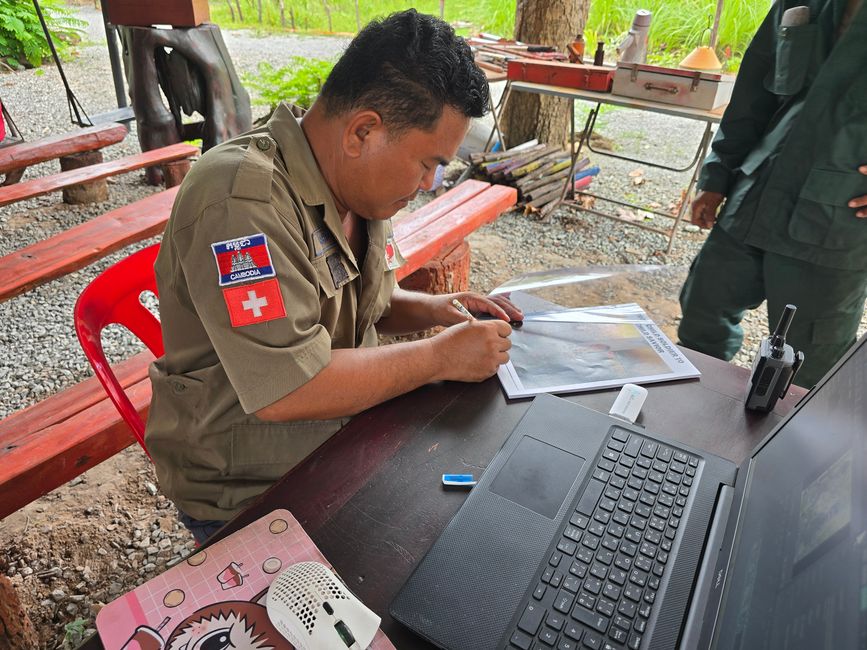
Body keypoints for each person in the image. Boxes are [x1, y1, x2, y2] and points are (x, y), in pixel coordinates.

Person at [145, 9, 522, 543]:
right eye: (427, 163)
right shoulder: (241, 204)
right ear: (363, 131)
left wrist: (436, 309)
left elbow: (362, 299)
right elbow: (288, 389)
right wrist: (438, 356)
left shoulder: (357, 182)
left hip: (341, 436)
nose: (429, 183)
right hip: (252, 485)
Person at [678, 0, 867, 388]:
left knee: (808, 372)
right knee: (700, 323)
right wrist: (716, 178)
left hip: (836, 227)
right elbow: (752, 93)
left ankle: (778, 448)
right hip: (753, 203)